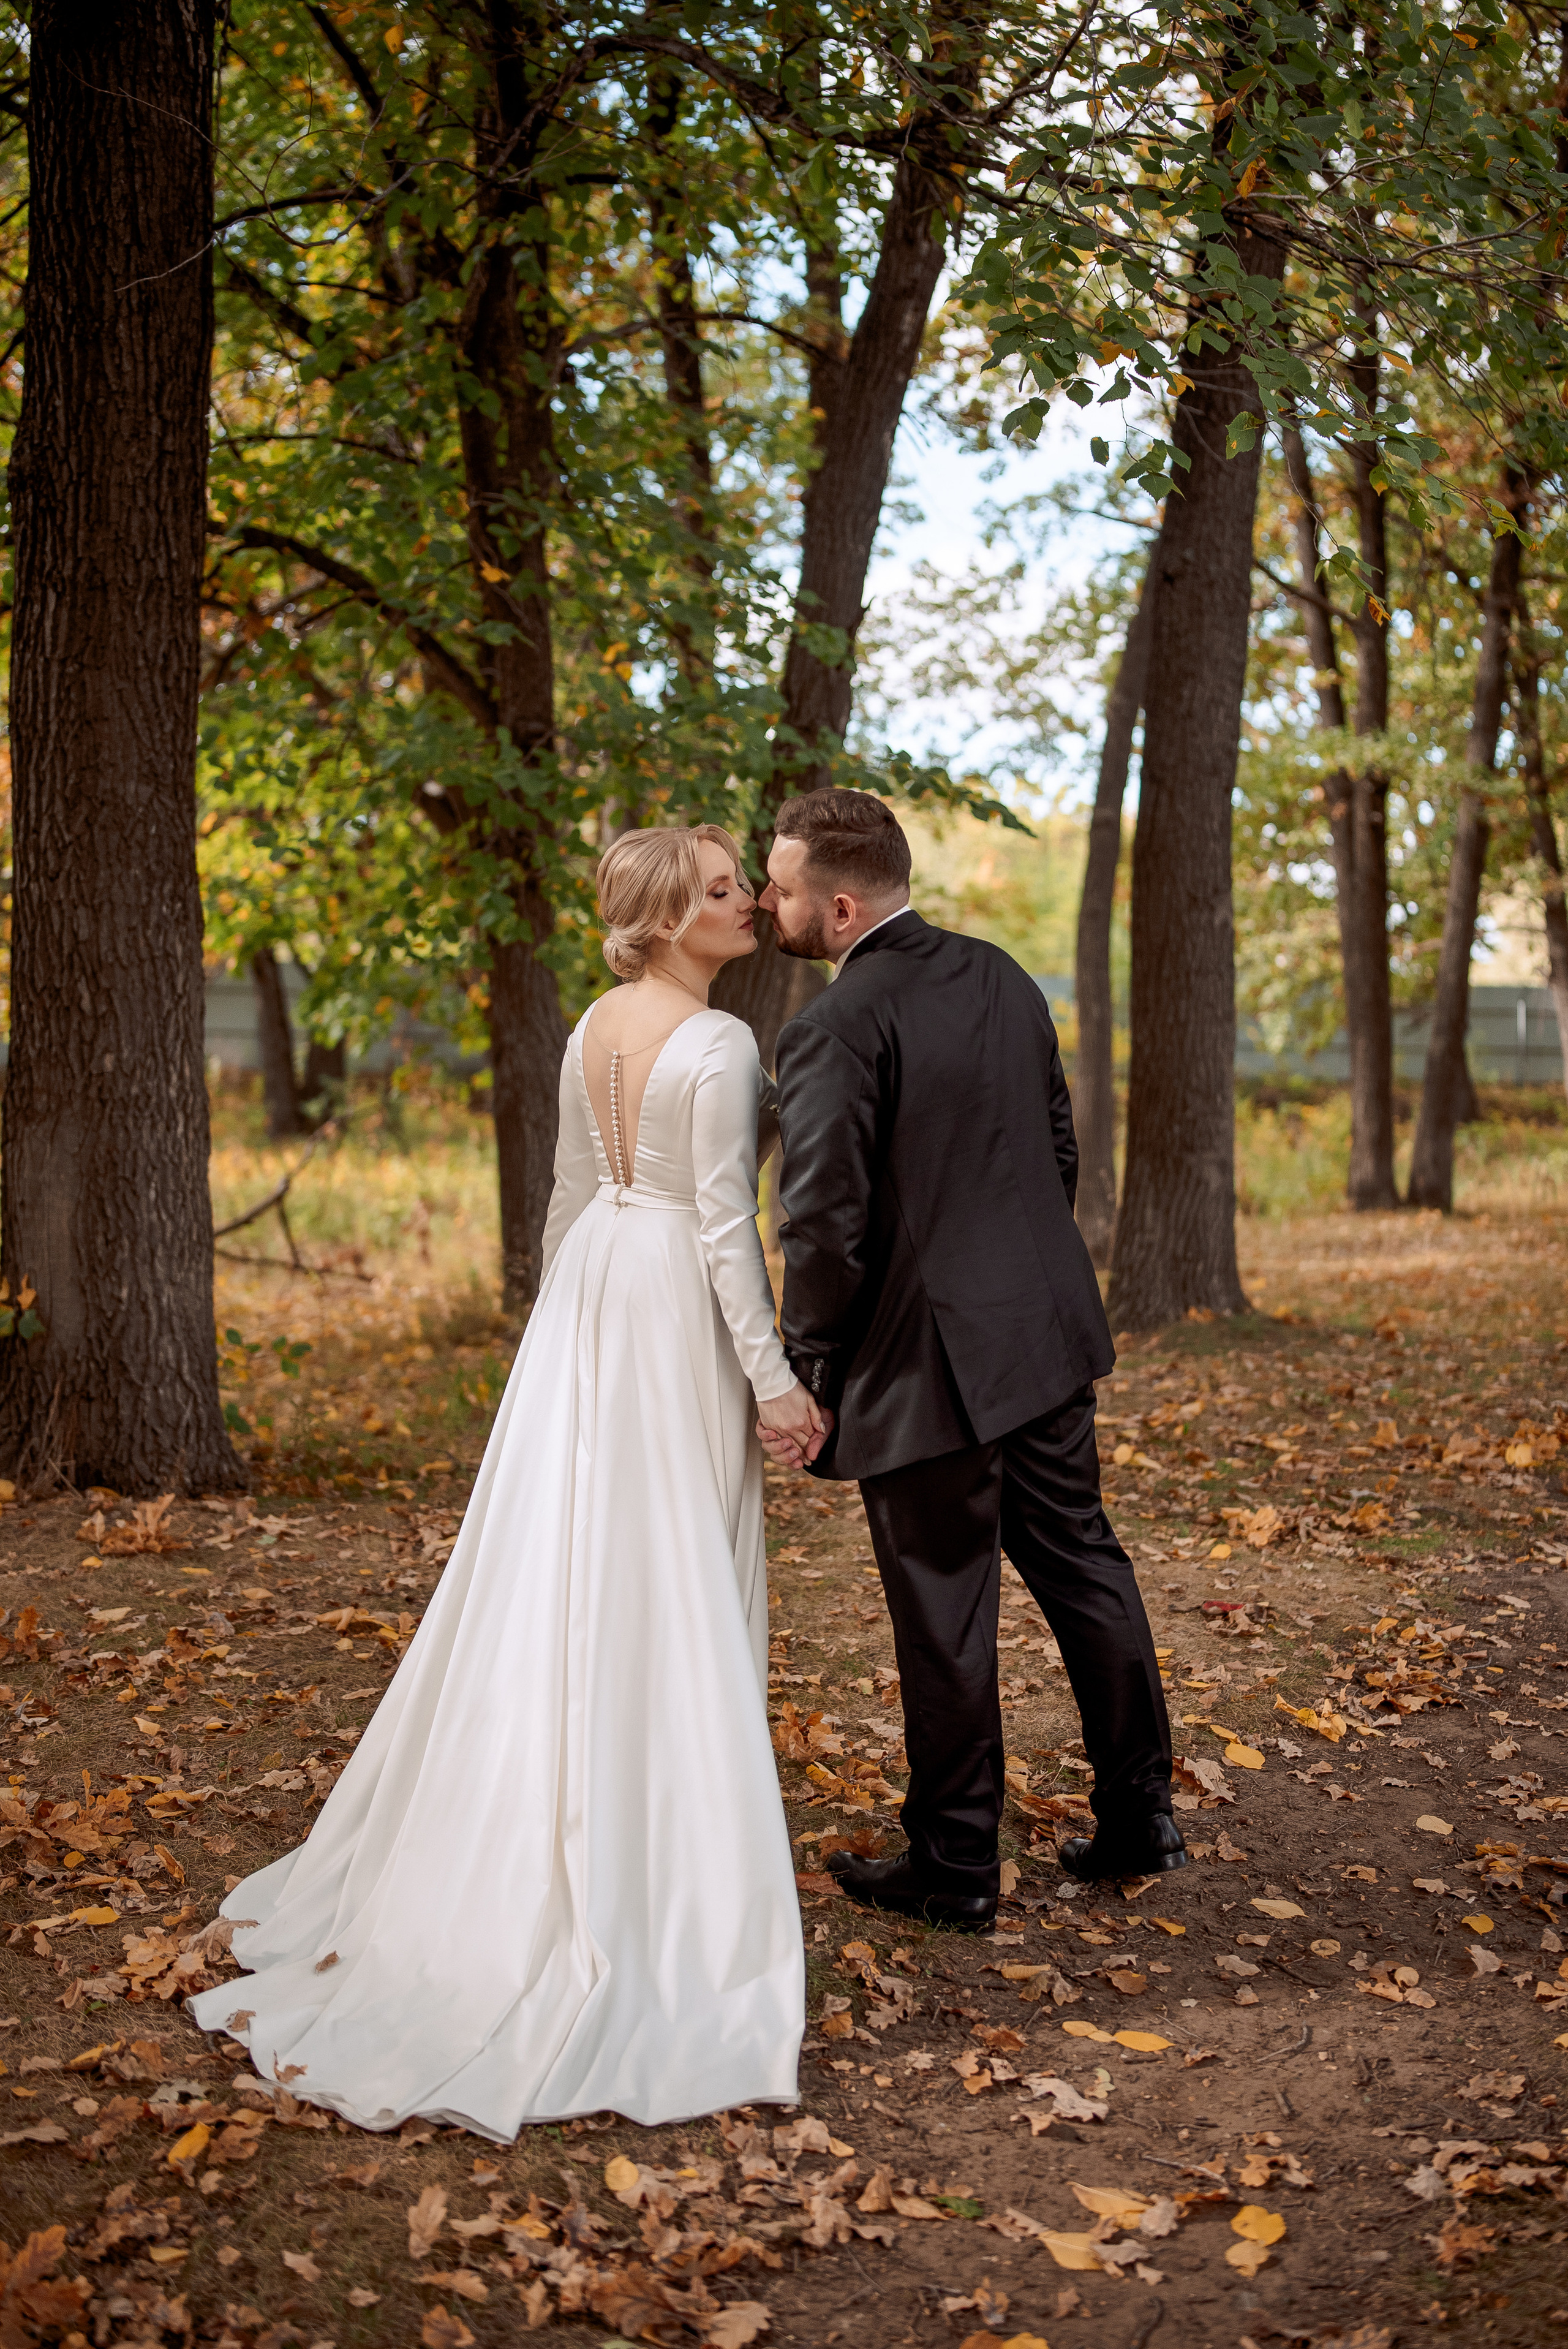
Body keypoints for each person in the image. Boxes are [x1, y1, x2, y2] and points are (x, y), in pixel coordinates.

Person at [190, 825, 824, 2135]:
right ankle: (653, 1858)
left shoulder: (596, 1019)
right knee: (663, 1556)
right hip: (659, 1302)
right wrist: (769, 1380)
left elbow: (568, 1190)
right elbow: (721, 1225)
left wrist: (554, 1324)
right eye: (719, 893)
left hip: (593, 1291)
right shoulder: (717, 1045)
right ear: (661, 918)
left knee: (575, 1552)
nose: (747, 907)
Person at [756, 788, 1182, 1929]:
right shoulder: (1000, 972)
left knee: (946, 1612)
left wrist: (810, 1366)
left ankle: (953, 1865)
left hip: (923, 1368)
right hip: (1041, 1339)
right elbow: (1055, 1147)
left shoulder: (833, 1027)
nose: (766, 900)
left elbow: (823, 1228)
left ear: (839, 906)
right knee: (1086, 1565)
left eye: (781, 885)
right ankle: (1145, 1814)